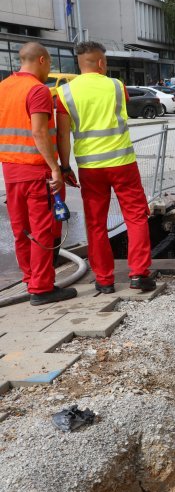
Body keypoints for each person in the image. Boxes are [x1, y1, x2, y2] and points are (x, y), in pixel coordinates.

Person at [55, 41, 156, 293]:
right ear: (101, 62)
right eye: (106, 61)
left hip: (90, 167)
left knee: (96, 223)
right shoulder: (116, 86)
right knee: (135, 216)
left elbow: (62, 134)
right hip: (122, 163)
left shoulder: (65, 93)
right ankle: (139, 275)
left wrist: (65, 167)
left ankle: (104, 280)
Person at [0, 42, 77, 306]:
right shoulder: (37, 90)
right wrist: (56, 168)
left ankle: (30, 278)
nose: (50, 70)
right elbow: (39, 132)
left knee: (22, 230)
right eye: (50, 64)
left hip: (11, 171)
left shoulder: (3, 88)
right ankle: (42, 288)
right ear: (42, 60)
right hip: (37, 171)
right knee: (43, 230)